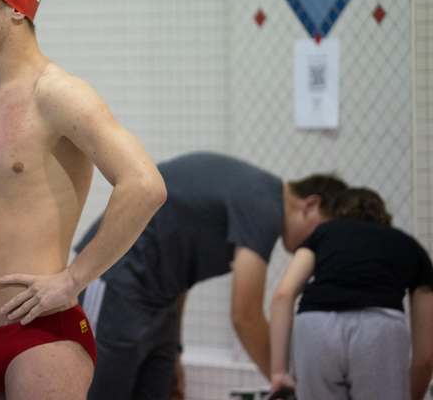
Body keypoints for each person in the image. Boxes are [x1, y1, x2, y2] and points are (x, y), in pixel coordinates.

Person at [0, 0, 166, 399]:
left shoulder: (59, 97)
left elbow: (145, 185)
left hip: (39, 336)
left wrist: (74, 278)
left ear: (17, 9)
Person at [75, 151, 348, 400]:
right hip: (115, 277)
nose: (320, 246)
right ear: (311, 204)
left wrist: (175, 349)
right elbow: (245, 316)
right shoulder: (265, 205)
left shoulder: (259, 196)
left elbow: (179, 267)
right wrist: (290, 384)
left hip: (160, 297)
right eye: (323, 232)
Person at [270, 187, 433, 400]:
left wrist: (279, 372)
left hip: (315, 326)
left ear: (337, 214)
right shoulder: (410, 246)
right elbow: (426, 356)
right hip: (378, 328)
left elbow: (283, 295)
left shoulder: (323, 233)